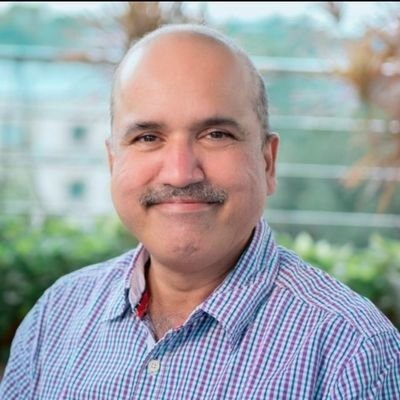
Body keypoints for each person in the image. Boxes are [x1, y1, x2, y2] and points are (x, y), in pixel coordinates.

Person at [1, 24, 399, 400]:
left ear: (267, 162)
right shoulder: (55, 316)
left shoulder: (353, 353)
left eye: (216, 134)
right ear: (112, 162)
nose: (180, 172)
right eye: (148, 137)